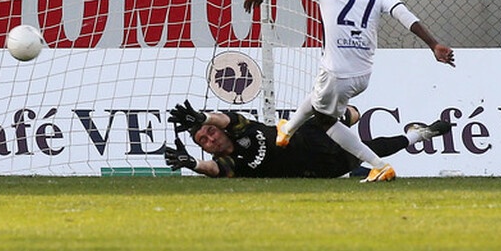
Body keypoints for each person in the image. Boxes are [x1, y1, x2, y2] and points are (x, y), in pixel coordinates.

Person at [242, 0, 455, 182]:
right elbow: (403, 14)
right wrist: (433, 44)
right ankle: (287, 131)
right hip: (363, 73)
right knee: (317, 96)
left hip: (337, 73)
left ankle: (380, 165)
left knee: (325, 121)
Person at [163, 101, 451, 179]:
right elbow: (213, 170)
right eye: (203, 140)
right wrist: (192, 164)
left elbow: (223, 119)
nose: (210, 138)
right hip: (325, 167)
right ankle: (417, 135)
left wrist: (202, 118)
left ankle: (416, 134)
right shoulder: (228, 162)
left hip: (311, 136)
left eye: (210, 132)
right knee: (373, 149)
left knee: (318, 116)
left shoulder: (240, 127)